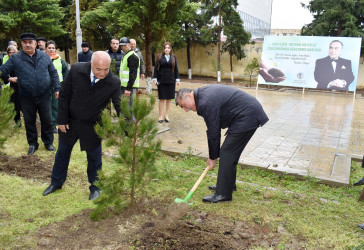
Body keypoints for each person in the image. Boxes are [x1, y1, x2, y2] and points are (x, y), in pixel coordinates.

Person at [42, 51, 121, 200]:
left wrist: (130, 129)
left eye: (106, 69)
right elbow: (64, 94)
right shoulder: (77, 70)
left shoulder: (114, 82)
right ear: (91, 64)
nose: (103, 73)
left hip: (93, 124)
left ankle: (95, 187)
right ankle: (56, 182)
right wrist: (61, 119)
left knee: (94, 158)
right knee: (62, 153)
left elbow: (121, 107)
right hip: (70, 122)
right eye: (98, 69)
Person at [176, 85, 269, 203]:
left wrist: (212, 157)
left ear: (189, 96)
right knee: (230, 152)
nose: (185, 110)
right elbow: (214, 128)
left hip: (247, 115)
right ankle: (228, 185)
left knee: (227, 152)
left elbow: (214, 131)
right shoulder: (203, 97)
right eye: (182, 108)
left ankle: (223, 193)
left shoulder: (205, 102)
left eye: (184, 105)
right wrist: (213, 155)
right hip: (246, 113)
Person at [0, 32, 60, 155]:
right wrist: (8, 78)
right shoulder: (16, 58)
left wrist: (57, 88)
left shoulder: (44, 57)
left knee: (47, 120)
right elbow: (3, 70)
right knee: (29, 121)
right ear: (21, 44)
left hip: (44, 95)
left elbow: (53, 72)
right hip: (26, 96)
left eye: (30, 42)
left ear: (36, 43)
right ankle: (32, 144)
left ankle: (48, 142)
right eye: (25, 42)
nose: (28, 45)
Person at [153, 42, 180, 123]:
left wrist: (177, 79)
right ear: (163, 49)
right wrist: (155, 79)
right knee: (161, 99)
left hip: (171, 81)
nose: (167, 49)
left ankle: (166, 115)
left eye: (168, 48)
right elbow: (156, 69)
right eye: (165, 48)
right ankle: (160, 116)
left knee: (169, 99)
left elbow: (176, 69)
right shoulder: (159, 57)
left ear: (170, 49)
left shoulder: (174, 57)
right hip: (161, 81)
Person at [45, 40, 69, 133]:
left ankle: (54, 124)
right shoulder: (43, 59)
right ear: (46, 48)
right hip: (45, 86)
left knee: (55, 106)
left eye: (53, 48)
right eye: (49, 48)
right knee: (46, 106)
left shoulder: (60, 60)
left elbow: (65, 73)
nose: (51, 50)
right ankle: (47, 124)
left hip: (57, 86)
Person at [119, 37, 140, 122]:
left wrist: (128, 88)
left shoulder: (132, 56)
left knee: (130, 110)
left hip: (129, 88)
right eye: (121, 46)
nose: (122, 47)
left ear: (128, 45)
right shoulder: (127, 55)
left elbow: (133, 74)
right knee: (126, 109)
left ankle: (132, 131)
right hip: (125, 86)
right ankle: (128, 128)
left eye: (123, 46)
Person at [1, 45, 21, 126]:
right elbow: (2, 73)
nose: (12, 54)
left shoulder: (20, 61)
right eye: (10, 53)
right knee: (14, 105)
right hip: (11, 86)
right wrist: (9, 78)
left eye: (14, 52)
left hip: (22, 85)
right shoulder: (6, 62)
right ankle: (17, 122)